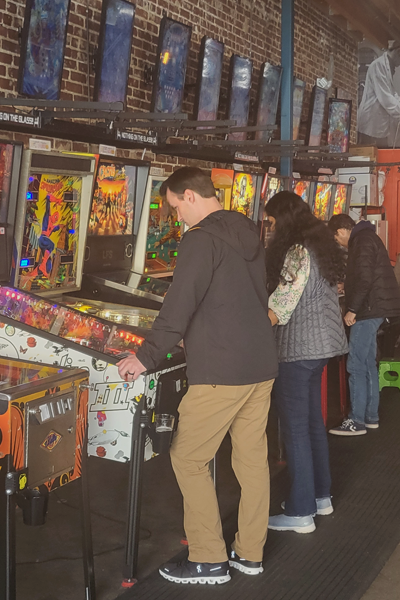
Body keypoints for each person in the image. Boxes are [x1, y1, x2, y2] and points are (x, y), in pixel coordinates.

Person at [117, 167, 278, 585]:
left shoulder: (200, 238)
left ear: (189, 196)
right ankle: (250, 553)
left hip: (221, 371)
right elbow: (239, 297)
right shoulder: (247, 230)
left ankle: (209, 559)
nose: (176, 218)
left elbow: (179, 303)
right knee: (251, 460)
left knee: (188, 457)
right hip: (260, 364)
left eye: (174, 208)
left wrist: (146, 357)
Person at [265, 192, 348, 533]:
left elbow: (279, 308)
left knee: (296, 429)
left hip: (299, 350)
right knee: (313, 422)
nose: (268, 230)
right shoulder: (320, 245)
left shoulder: (297, 252)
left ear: (283, 221)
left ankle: (300, 512)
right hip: (322, 347)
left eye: (270, 222)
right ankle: (319, 496)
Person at [328, 214, 400, 435]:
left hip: (368, 310)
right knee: (368, 363)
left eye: (335, 238)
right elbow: (364, 276)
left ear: (341, 231)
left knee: (356, 365)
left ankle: (356, 421)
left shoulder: (362, 240)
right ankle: (370, 416)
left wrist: (352, 309)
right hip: (376, 308)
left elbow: (365, 278)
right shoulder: (367, 236)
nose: (338, 243)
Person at [358, 40, 400, 148]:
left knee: (382, 158)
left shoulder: (388, 67)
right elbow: (386, 99)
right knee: (370, 160)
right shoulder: (379, 66)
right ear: (398, 52)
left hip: (380, 127)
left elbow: (393, 94)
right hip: (370, 125)